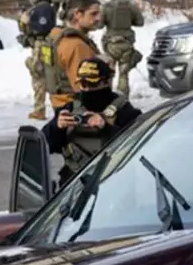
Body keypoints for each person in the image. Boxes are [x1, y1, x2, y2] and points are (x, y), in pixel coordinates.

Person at [44, 57, 142, 185]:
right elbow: (45, 146)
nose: (87, 89)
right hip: (75, 183)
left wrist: (106, 127)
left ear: (105, 82)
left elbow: (138, 144)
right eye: (83, 84)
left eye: (92, 84)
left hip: (113, 180)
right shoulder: (70, 108)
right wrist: (57, 127)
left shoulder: (123, 109)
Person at [45, 0, 105, 113]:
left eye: (99, 13)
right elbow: (86, 88)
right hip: (79, 110)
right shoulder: (76, 45)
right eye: (93, 14)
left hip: (62, 106)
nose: (98, 18)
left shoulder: (56, 37)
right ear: (78, 14)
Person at [100, 0, 145, 97]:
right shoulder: (131, 5)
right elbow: (140, 22)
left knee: (108, 73)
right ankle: (122, 99)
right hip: (127, 43)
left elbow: (99, 25)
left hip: (111, 45)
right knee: (123, 73)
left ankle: (106, 97)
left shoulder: (106, 7)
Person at [20, 0, 57, 120]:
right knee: (41, 75)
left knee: (40, 75)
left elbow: (43, 26)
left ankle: (40, 109)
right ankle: (40, 108)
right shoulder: (36, 8)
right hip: (38, 43)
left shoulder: (43, 7)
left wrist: (29, 22)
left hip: (42, 44)